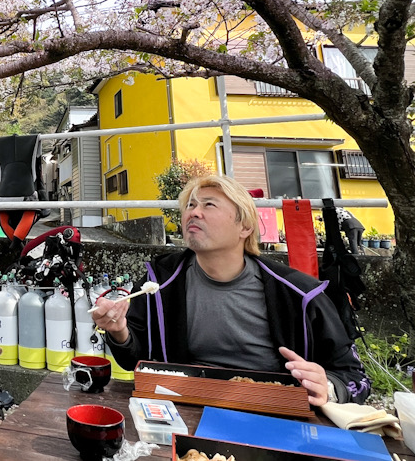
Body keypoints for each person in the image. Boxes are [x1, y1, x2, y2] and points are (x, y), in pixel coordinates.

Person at [92, 174, 370, 406]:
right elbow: (133, 360)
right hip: (185, 403)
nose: (193, 212)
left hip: (273, 409)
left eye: (209, 205)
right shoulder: (161, 281)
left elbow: (355, 377)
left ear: (245, 226)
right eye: (190, 205)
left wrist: (330, 387)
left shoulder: (299, 293)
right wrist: (119, 331)